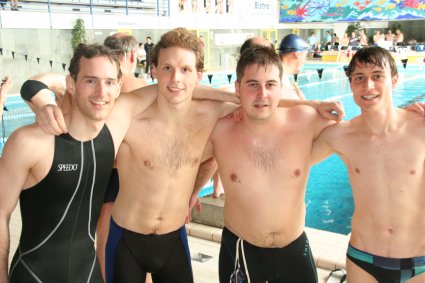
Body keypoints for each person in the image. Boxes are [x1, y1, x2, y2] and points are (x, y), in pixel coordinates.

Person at [31, 28, 345, 283]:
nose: (175, 78)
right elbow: (56, 88)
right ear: (153, 70)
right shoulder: (130, 112)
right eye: (166, 68)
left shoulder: (211, 115)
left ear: (198, 74)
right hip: (125, 238)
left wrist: (310, 106)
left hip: (173, 240)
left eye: (185, 70)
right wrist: (43, 100)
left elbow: (256, 98)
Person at [192, 45, 335, 282]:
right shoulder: (220, 130)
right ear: (237, 87)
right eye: (252, 85)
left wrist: (412, 116)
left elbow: (359, 135)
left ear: (281, 86)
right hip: (241, 249)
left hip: (294, 248)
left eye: (270, 84)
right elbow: (184, 93)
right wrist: (192, 191)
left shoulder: (306, 120)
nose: (262, 94)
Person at [0, 43, 123, 282]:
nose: (101, 92)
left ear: (118, 87)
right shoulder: (29, 141)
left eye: (109, 82)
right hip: (33, 274)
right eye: (90, 80)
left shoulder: (116, 131)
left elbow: (175, 89)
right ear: (70, 84)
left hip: (88, 274)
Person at [311, 46, 425, 283]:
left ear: (394, 80)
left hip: (420, 263)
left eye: (377, 76)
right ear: (350, 85)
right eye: (359, 78)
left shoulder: (420, 126)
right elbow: (289, 158)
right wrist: (308, 107)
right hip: (363, 261)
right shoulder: (340, 135)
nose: (368, 86)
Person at [277, 34, 308, 100]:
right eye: (305, 56)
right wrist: (302, 103)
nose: (305, 61)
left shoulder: (279, 73)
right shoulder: (279, 80)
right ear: (297, 54)